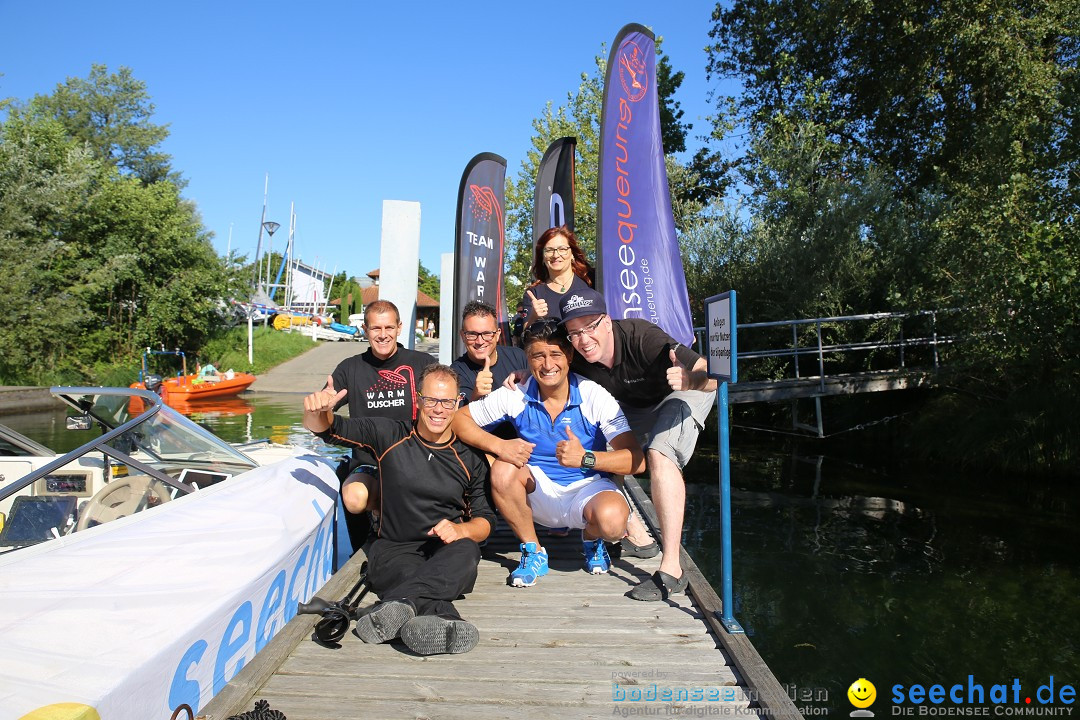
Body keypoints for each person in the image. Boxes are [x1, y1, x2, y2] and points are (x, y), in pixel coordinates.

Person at [303, 364, 493, 655]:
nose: (438, 409)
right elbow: (328, 429)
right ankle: (444, 618)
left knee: (467, 550)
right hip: (394, 547)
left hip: (445, 549)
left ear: (458, 403)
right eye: (431, 400)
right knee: (407, 570)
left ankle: (396, 606)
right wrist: (318, 411)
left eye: (446, 402)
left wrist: (461, 529)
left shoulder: (470, 457)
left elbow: (485, 521)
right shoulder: (389, 434)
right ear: (418, 400)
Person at [452, 318, 645, 588]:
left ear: (568, 356)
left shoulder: (593, 395)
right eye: (537, 356)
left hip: (586, 489)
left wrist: (586, 458)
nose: (547, 364)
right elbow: (459, 420)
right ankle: (533, 551)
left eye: (555, 354)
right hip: (538, 492)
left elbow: (636, 460)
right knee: (503, 468)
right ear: (527, 359)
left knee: (613, 523)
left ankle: (591, 539)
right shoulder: (516, 394)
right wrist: (500, 446)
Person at [559, 288, 717, 602]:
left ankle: (672, 569)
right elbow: (538, 352)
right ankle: (640, 538)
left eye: (590, 326)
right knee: (599, 453)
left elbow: (712, 375)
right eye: (574, 332)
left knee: (659, 453)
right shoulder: (573, 350)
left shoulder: (641, 336)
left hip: (682, 392)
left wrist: (690, 380)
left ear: (607, 322)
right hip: (634, 405)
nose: (583, 338)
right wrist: (521, 374)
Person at [328, 300, 436, 552]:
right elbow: (325, 408)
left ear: (399, 328)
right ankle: (376, 515)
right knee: (354, 498)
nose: (383, 334)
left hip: (415, 459)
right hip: (370, 462)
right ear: (365, 330)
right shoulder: (350, 368)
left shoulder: (422, 362)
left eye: (389, 327)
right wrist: (322, 406)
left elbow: (445, 404)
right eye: (376, 328)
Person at [450, 301, 527, 405]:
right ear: (462, 336)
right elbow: (459, 419)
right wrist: (476, 396)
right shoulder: (456, 373)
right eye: (472, 334)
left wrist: (530, 375)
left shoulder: (518, 356)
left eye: (487, 333)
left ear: (497, 334)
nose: (480, 341)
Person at [522, 226, 595, 324]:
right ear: (542, 257)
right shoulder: (534, 294)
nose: (556, 255)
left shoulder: (591, 280)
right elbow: (524, 335)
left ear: (572, 254)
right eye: (549, 250)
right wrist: (534, 317)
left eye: (562, 249)